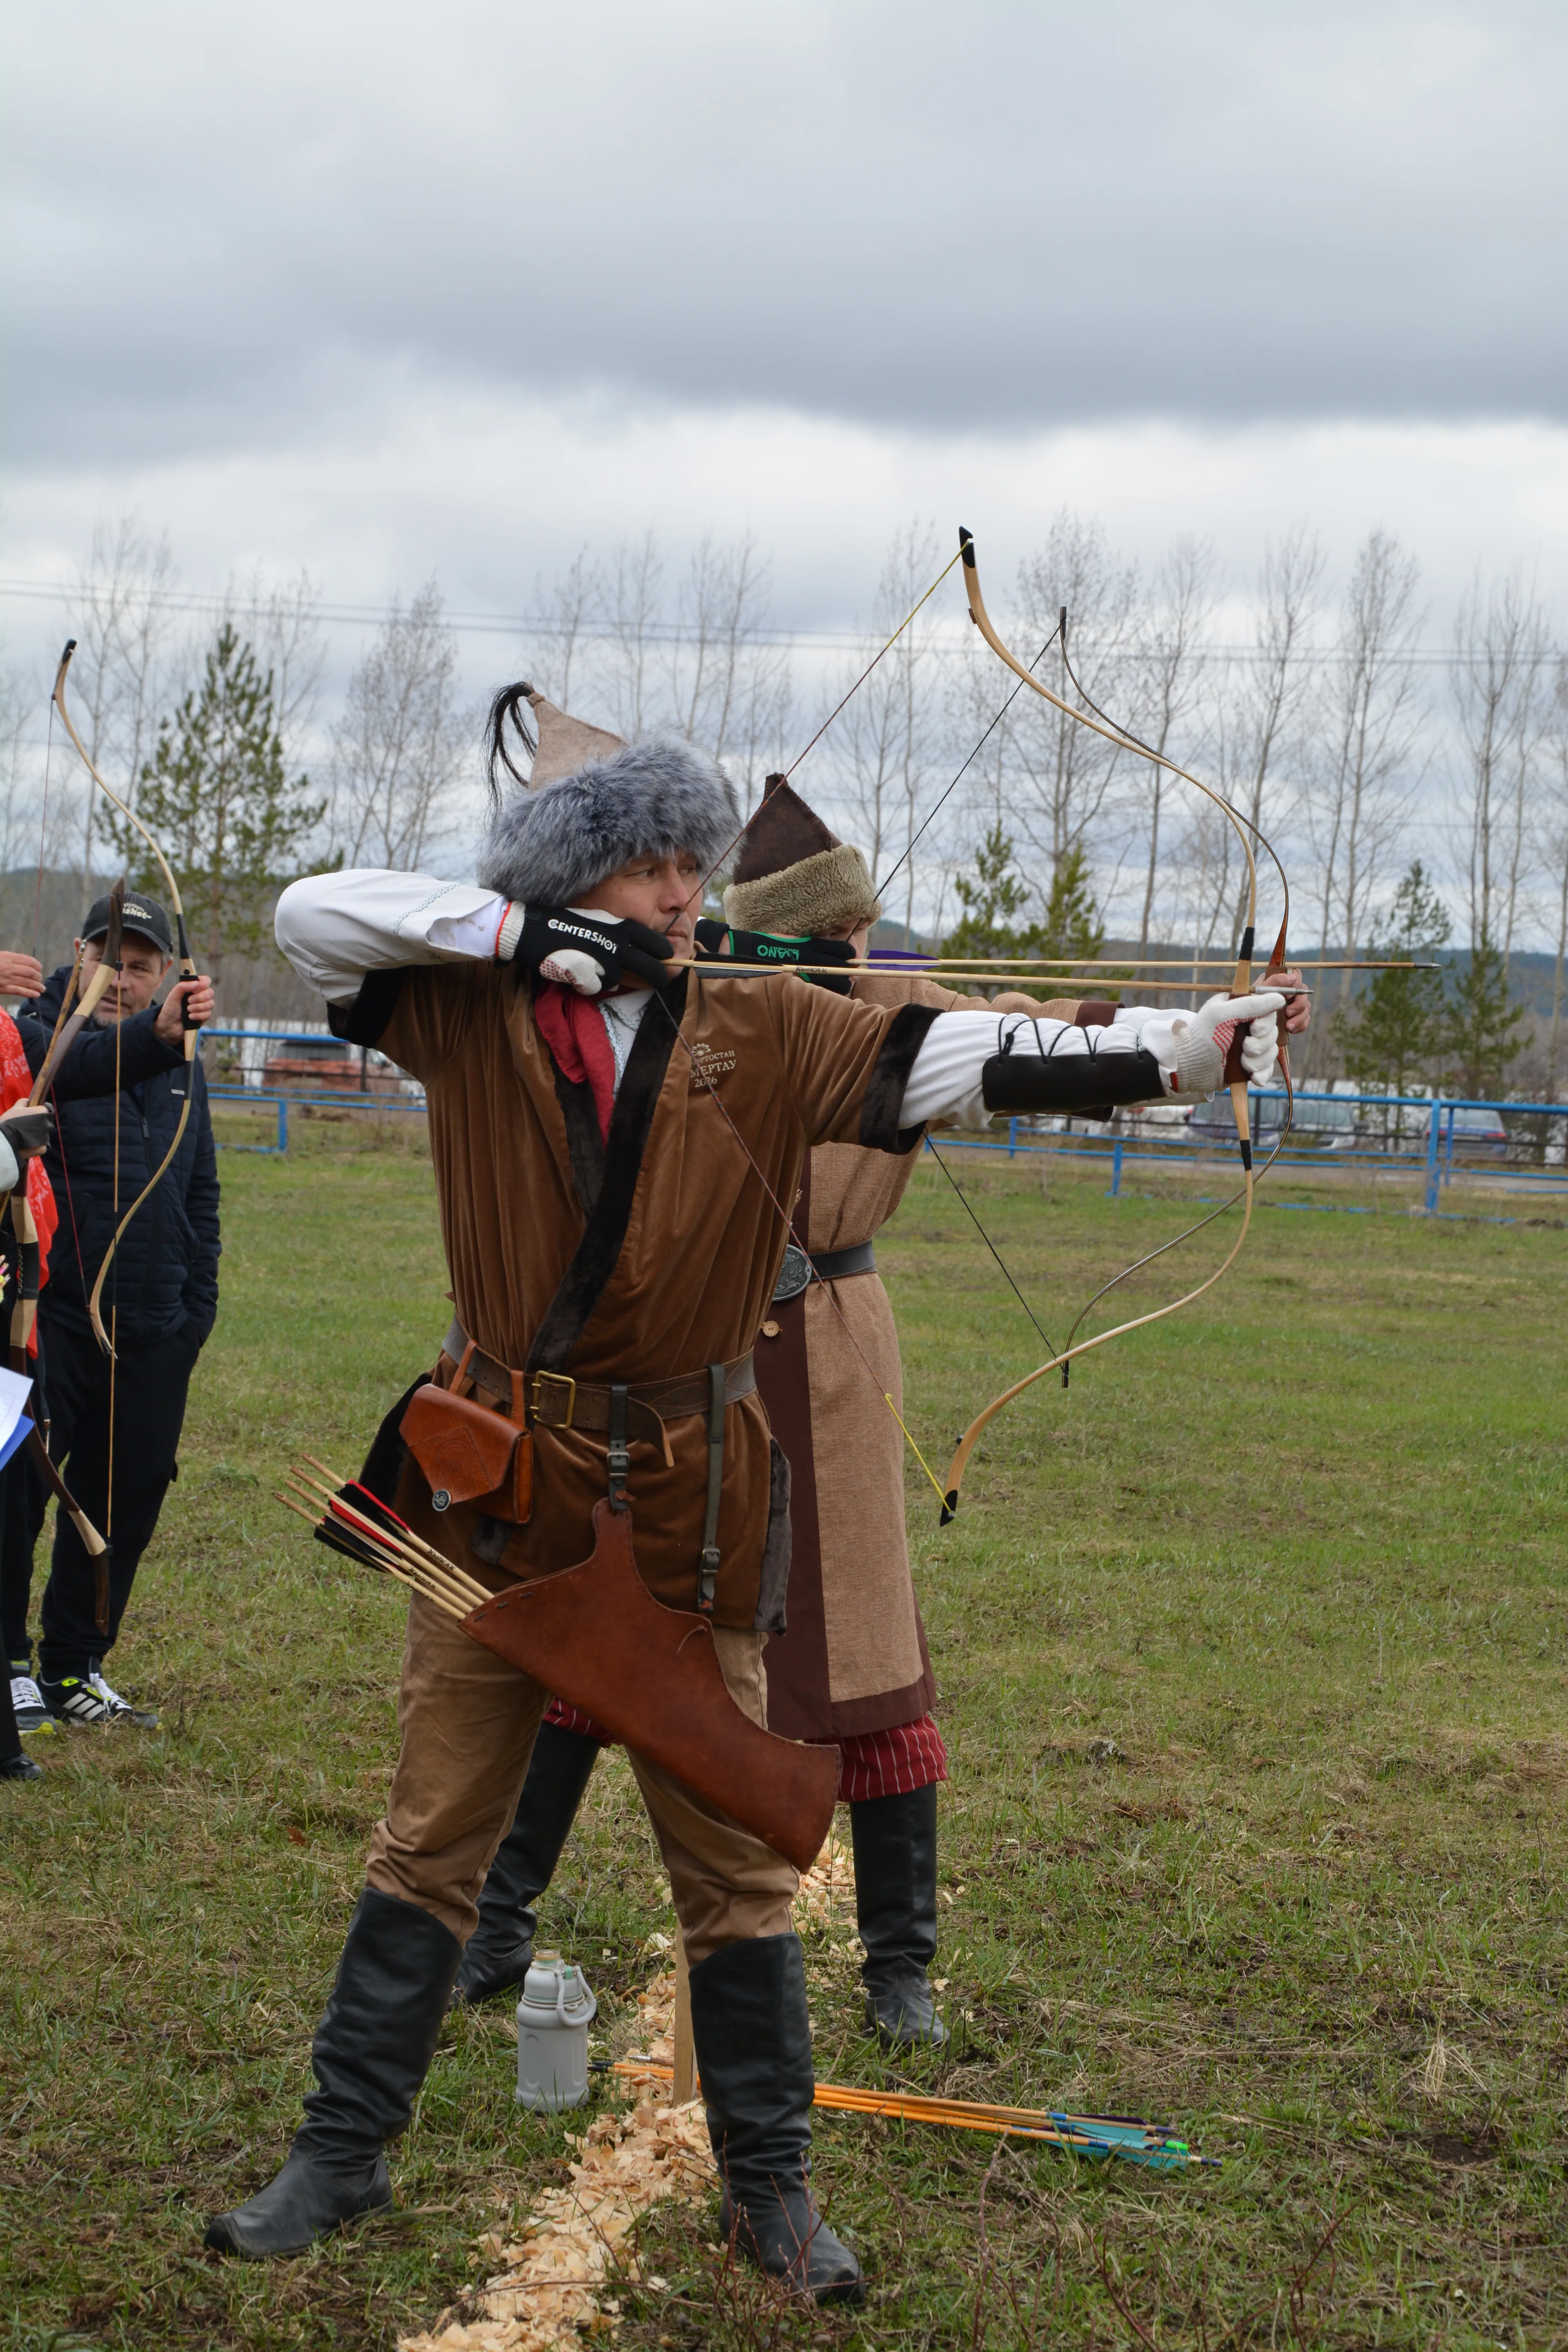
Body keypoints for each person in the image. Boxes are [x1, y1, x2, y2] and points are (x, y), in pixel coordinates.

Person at [212, 683, 1285, 2300]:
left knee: (731, 1859)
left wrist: (1179, 1049)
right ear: (574, 877)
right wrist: (517, 943)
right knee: (432, 1832)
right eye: (648, 868)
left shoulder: (766, 1028)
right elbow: (310, 916)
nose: (681, 898)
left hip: (680, 1496)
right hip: (501, 1484)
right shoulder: (462, 1007)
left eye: (690, 870)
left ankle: (770, 2196)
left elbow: (958, 1059)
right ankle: (339, 2155)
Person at [450, 763, 1312, 2047]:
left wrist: (1204, 1032)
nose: (864, 951)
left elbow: (1028, 1025)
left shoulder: (887, 1002)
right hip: (675, 1360)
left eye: (862, 935)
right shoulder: (695, 998)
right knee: (604, 1630)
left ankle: (898, 1964)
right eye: (837, 939)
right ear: (774, 934)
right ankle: (496, 1925)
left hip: (829, 1349)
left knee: (866, 1660)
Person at [0, 937, 214, 1762]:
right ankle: (11, 1665)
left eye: (143, 963)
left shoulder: (179, 1061)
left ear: (165, 975)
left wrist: (196, 1309)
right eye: (108, 957)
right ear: (79, 956)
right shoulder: (37, 1040)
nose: (122, 977)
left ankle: (73, 1665)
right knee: (19, 1490)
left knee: (124, 1496)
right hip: (46, 1320)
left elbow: (201, 1190)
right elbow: (82, 1060)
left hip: (155, 1322)